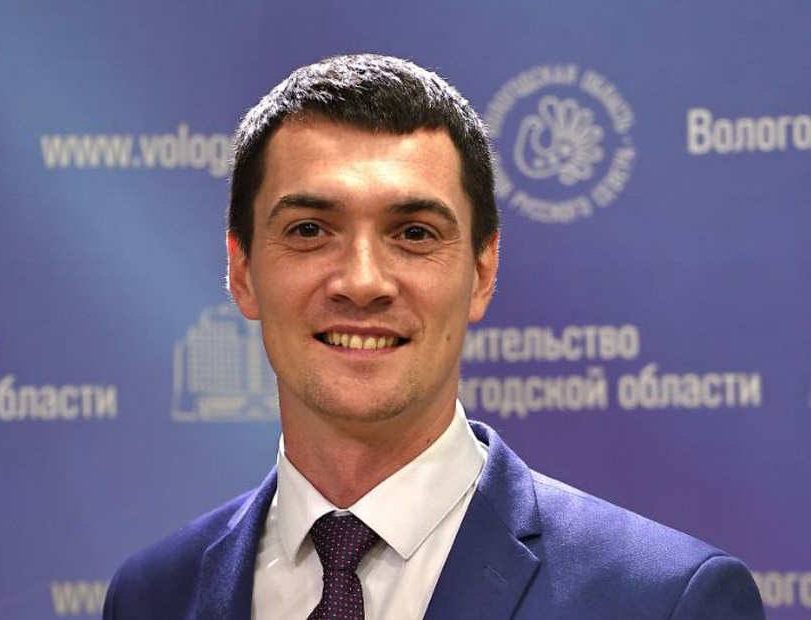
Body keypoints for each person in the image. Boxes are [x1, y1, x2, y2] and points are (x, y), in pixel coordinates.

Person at [103, 54, 764, 619]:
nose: (362, 282)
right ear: (242, 272)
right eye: (309, 231)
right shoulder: (152, 596)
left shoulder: (662, 600)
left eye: (414, 233)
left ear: (482, 273)